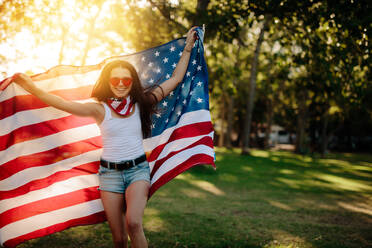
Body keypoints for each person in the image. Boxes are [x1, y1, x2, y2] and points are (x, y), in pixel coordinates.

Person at [13, 26, 198, 248]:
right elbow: (62, 104)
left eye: (126, 81)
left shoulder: (143, 102)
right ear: (108, 82)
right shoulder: (99, 109)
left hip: (137, 171)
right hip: (109, 175)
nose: (120, 84)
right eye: (115, 80)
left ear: (132, 83)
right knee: (119, 239)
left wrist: (187, 48)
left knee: (134, 223)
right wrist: (32, 87)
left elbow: (176, 79)